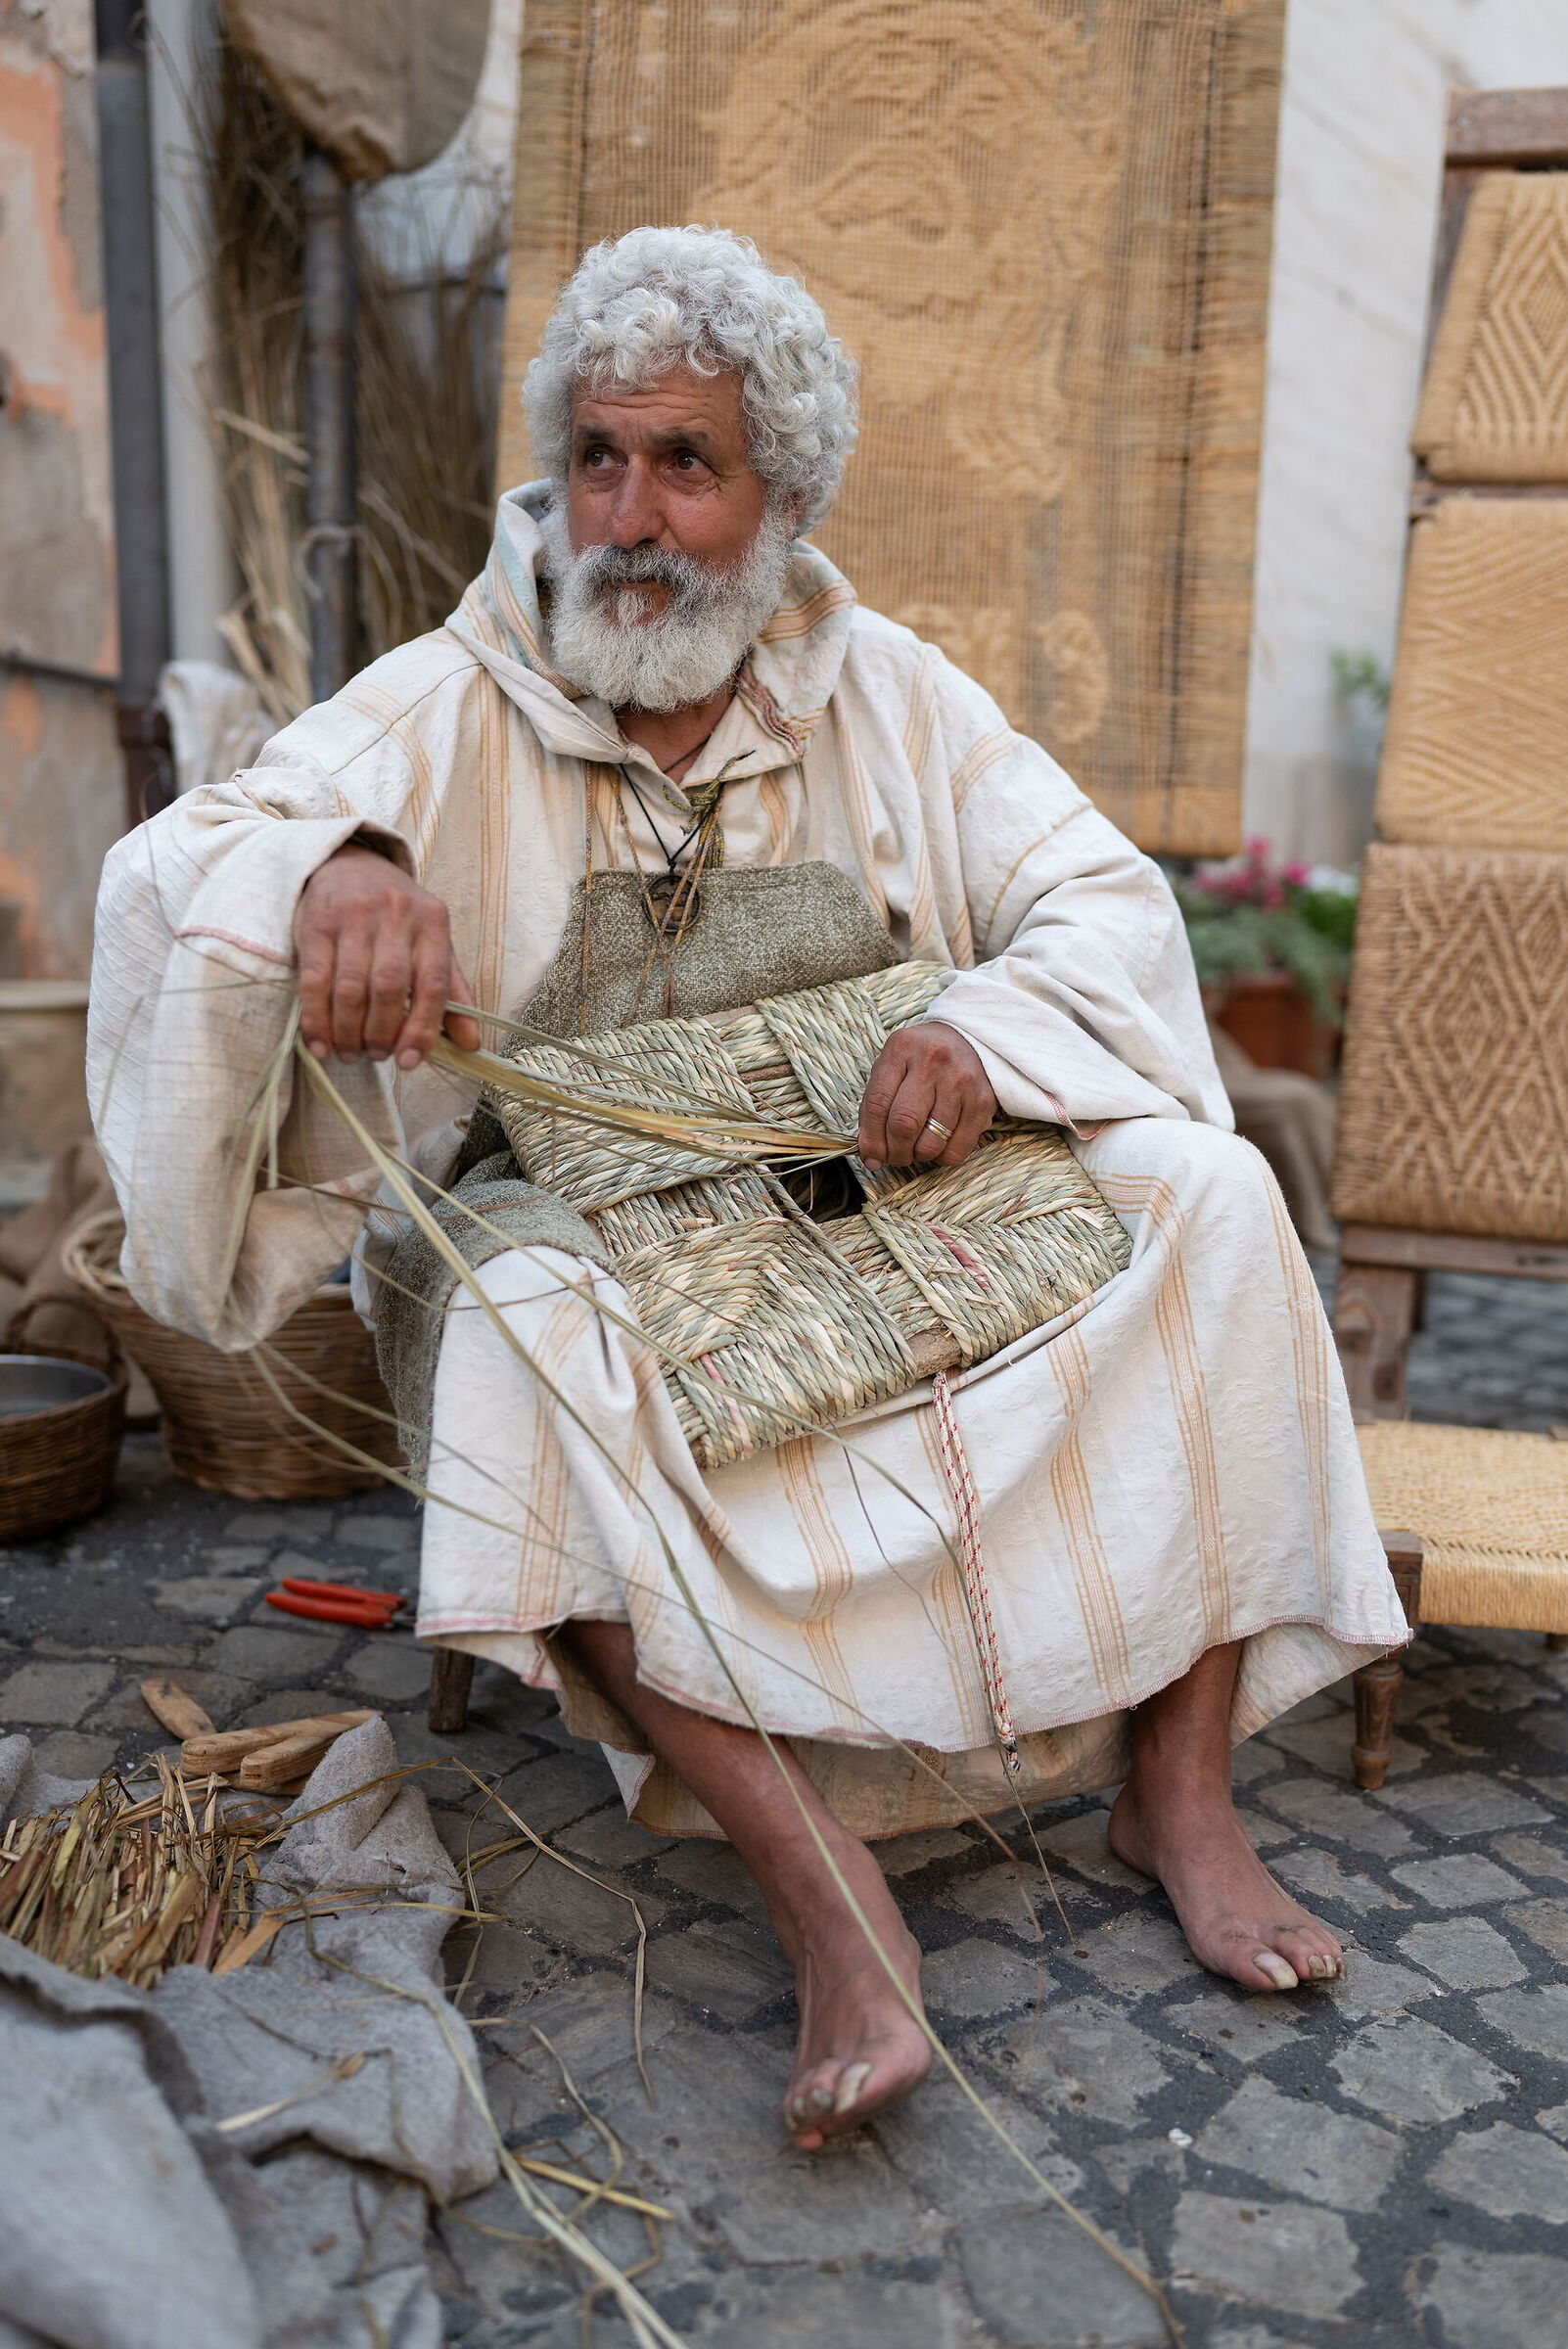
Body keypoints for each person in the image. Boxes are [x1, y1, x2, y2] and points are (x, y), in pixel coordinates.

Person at [90, 226, 1408, 2153]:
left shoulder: (888, 693)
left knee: (1211, 1192)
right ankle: (830, 1904)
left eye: (687, 466)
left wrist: (988, 1032)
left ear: (782, 498)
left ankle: (1178, 1793)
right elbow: (185, 862)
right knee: (523, 1335)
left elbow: (1102, 904)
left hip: (880, 1193)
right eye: (600, 457)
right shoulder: (460, 688)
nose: (629, 517)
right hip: (580, 1220)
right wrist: (338, 867)